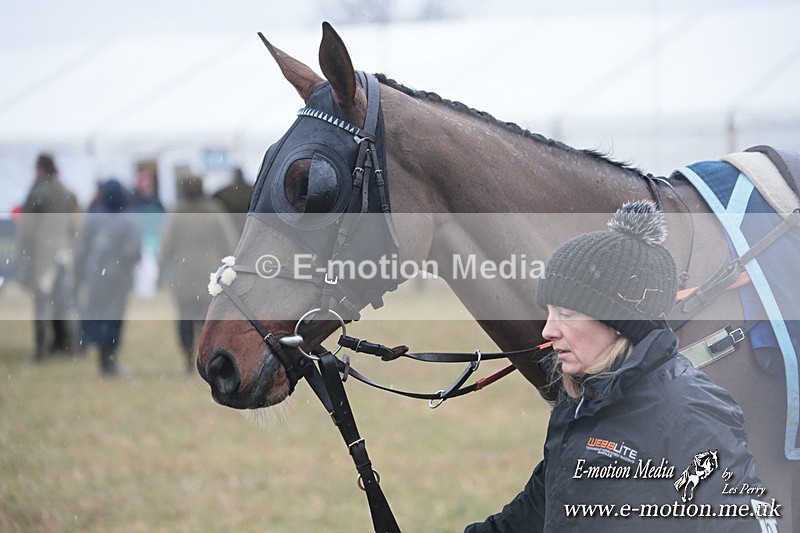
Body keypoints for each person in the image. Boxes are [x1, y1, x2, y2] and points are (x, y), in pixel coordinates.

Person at [465, 200, 767, 532]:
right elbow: (536, 511)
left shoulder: (688, 411)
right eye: (550, 312)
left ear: (619, 323)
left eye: (566, 313)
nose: (547, 331)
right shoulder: (578, 403)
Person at [159, 174, 238, 372]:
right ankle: (209, 358)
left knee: (185, 318)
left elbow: (166, 247)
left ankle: (187, 358)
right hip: (210, 276)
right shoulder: (215, 211)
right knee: (208, 320)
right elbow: (230, 243)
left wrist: (160, 272)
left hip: (183, 276)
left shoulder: (177, 214)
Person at [14, 152, 81, 361]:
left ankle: (42, 351)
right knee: (67, 305)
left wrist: (21, 256)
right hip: (65, 255)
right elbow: (76, 227)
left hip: (43, 258)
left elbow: (27, 229)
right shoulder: (67, 193)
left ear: (39, 169)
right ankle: (72, 348)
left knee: (42, 306)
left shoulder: (37, 192)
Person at [74, 180, 142, 376]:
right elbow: (134, 252)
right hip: (118, 280)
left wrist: (82, 272)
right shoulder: (129, 221)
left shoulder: (93, 218)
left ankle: (100, 358)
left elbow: (81, 250)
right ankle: (109, 363)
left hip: (96, 278)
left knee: (97, 316)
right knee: (113, 320)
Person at [212, 166, 251, 235]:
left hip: (232, 222)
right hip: (247, 222)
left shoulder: (225, 192)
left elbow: (214, 198)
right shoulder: (251, 190)